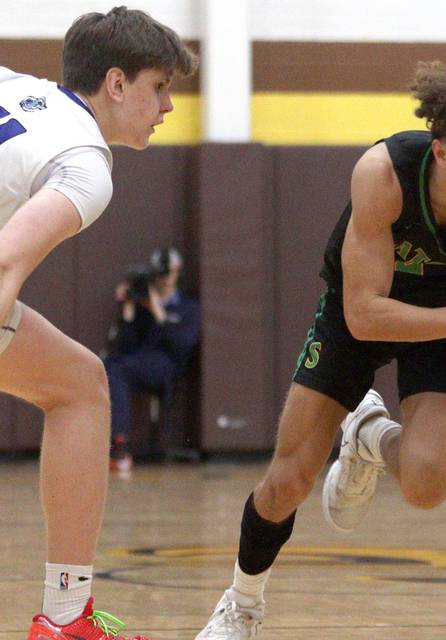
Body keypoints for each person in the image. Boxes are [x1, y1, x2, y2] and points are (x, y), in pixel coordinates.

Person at [195, 60, 446, 639]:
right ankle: (242, 602)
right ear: (442, 152)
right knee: (288, 482)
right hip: (368, 310)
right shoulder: (383, 173)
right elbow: (363, 311)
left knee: (428, 485)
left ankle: (370, 436)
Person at [0, 7, 197, 640]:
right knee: (82, 388)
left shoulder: (17, 88)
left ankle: (66, 618)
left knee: (82, 383)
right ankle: (62, 622)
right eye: (159, 86)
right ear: (116, 83)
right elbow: (5, 259)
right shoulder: (86, 164)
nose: (166, 106)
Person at [105, 247, 201, 472]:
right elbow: (124, 349)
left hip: (167, 365)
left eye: (170, 273)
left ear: (179, 274)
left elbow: (181, 346)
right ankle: (117, 443)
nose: (165, 279)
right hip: (137, 363)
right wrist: (128, 313)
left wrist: (159, 312)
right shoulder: (142, 306)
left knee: (117, 367)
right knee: (111, 366)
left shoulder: (189, 307)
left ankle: (119, 446)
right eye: (160, 274)